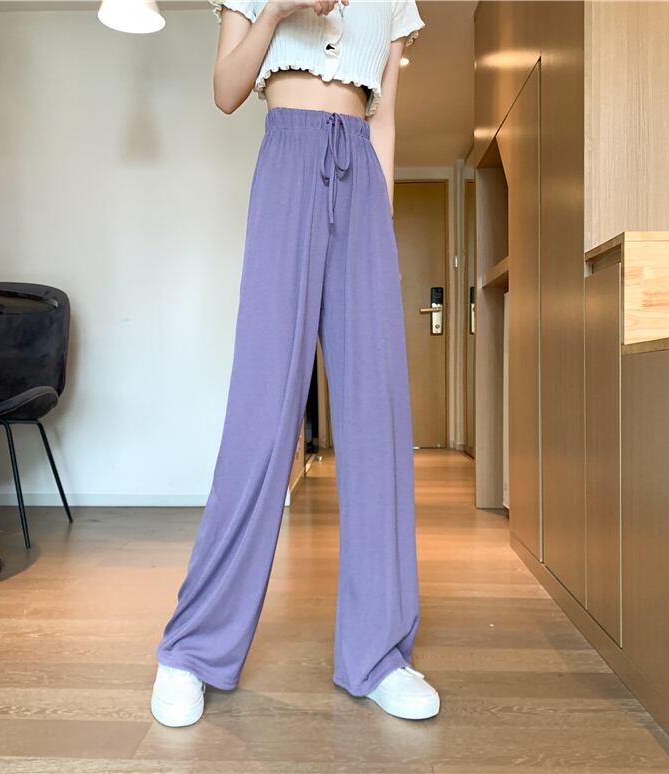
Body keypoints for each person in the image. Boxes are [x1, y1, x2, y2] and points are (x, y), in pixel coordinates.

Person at [150, 0, 439, 726]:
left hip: (363, 176)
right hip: (287, 155)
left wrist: (379, 227)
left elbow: (384, 118)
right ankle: (192, 650)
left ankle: (379, 653)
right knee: (263, 411)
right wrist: (277, 9)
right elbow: (226, 90)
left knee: (376, 417)